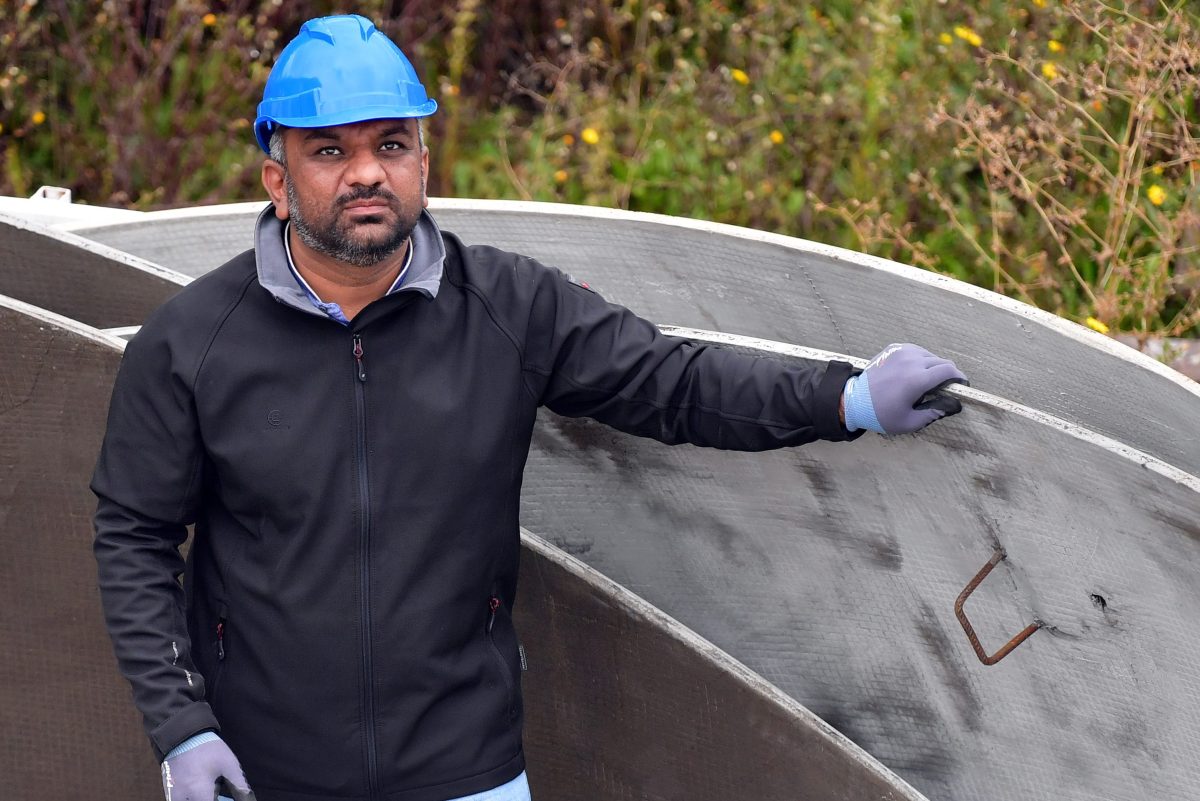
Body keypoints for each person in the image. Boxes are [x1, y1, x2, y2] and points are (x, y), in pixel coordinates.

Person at [91, 14, 967, 801]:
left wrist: (846, 396)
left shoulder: (507, 308)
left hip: (465, 768)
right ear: (278, 181)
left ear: (423, 167)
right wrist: (184, 729)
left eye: (391, 144)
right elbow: (134, 534)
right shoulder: (194, 341)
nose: (367, 173)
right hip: (264, 769)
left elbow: (673, 380)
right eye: (330, 151)